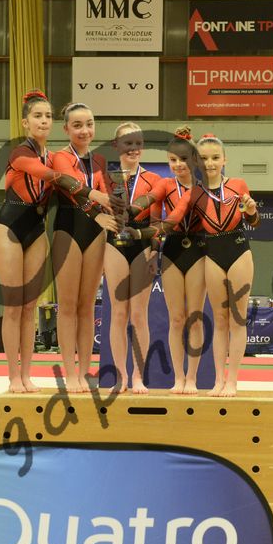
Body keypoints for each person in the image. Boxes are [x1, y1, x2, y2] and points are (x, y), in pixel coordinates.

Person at [0, 91, 112, 394]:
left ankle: (27, 375)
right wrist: (95, 195)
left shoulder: (53, 154)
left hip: (37, 229)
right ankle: (13, 376)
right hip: (10, 228)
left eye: (47, 116)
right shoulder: (20, 152)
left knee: (30, 307)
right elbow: (53, 177)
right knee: (13, 306)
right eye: (37, 116)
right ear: (25, 122)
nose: (43, 121)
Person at [48, 103, 120, 392]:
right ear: (66, 128)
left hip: (95, 232)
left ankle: (85, 370)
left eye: (89, 124)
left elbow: (108, 195)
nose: (84, 130)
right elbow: (73, 189)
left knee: (87, 306)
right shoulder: (59, 157)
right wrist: (99, 205)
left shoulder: (99, 160)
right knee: (67, 305)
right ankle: (70, 372)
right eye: (77, 125)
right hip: (68, 229)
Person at [99, 122, 163, 393]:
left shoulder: (155, 180)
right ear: (117, 146)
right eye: (127, 142)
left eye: (138, 142)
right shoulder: (105, 178)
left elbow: (157, 221)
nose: (133, 148)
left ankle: (138, 376)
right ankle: (120, 376)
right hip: (114, 243)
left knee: (138, 313)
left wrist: (155, 251)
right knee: (118, 312)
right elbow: (96, 212)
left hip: (142, 244)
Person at [194, 133, 259, 397]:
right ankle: (218, 380)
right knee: (219, 320)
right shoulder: (195, 193)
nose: (210, 163)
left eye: (215, 157)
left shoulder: (237, 184)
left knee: (237, 318)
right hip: (212, 253)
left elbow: (253, 221)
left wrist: (251, 211)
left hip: (238, 250)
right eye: (204, 158)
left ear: (224, 160)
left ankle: (232, 380)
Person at [153, 127, 207, 394]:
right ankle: (178, 378)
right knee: (176, 319)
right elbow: (155, 219)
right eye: (172, 160)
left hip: (198, 248)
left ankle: (192, 378)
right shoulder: (165, 185)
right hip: (173, 248)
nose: (178, 165)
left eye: (183, 159)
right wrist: (152, 249)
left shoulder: (204, 187)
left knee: (194, 318)